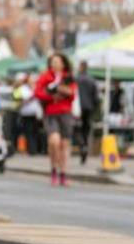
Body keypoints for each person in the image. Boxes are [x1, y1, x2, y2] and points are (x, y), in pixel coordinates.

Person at [35, 53, 76, 187]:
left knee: (64, 145)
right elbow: (38, 92)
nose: (55, 64)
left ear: (63, 63)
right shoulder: (45, 76)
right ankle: (53, 169)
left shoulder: (68, 77)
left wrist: (60, 89)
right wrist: (51, 96)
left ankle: (63, 174)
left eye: (58, 61)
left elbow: (72, 94)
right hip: (51, 113)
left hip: (65, 113)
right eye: (53, 62)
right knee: (54, 142)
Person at [75, 61, 100, 164]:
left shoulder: (76, 79)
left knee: (76, 128)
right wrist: (94, 108)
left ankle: (82, 146)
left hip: (77, 107)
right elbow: (96, 97)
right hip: (89, 108)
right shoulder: (92, 80)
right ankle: (84, 145)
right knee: (86, 128)